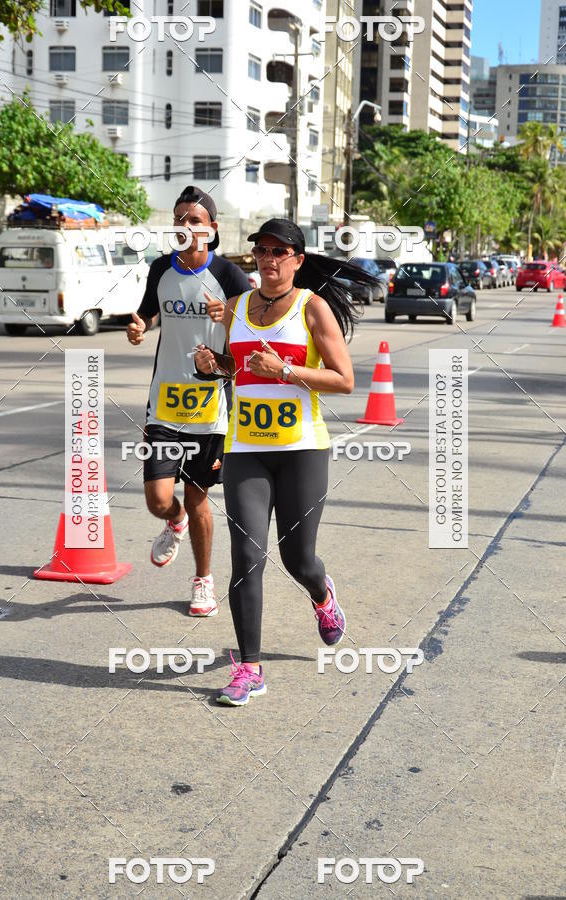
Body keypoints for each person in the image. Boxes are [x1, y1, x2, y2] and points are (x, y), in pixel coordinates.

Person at [195, 219, 378, 704]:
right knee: (247, 557)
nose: (269, 259)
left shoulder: (313, 309)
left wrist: (288, 370)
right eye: (262, 250)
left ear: (298, 260)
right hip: (246, 451)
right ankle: (249, 668)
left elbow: (344, 380)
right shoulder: (234, 309)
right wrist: (214, 366)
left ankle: (322, 595)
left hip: (301, 450)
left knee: (299, 560)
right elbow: (239, 366)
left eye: (280, 251)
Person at [127, 185, 251, 617]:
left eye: (194, 220)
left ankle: (203, 580)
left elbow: (249, 350)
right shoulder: (161, 268)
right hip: (164, 403)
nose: (185, 226)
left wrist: (230, 316)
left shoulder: (231, 278)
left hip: (209, 408)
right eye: (179, 219)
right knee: (158, 498)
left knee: (198, 497)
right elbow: (147, 312)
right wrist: (139, 326)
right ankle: (173, 522)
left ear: (212, 229)